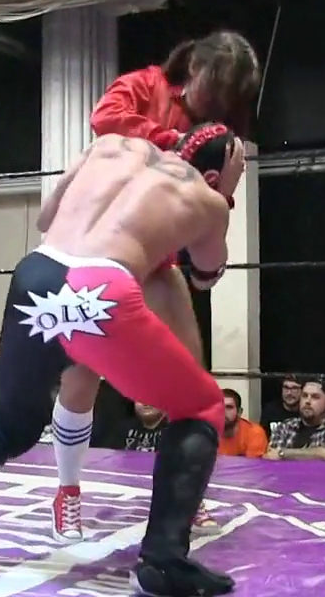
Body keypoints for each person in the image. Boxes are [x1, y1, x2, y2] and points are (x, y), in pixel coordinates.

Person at [0, 124, 246, 597]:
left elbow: (45, 217)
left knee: (7, 424)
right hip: (102, 289)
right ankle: (164, 561)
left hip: (37, 272)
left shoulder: (111, 145)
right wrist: (213, 207)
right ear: (216, 175)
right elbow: (205, 274)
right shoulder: (208, 199)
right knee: (201, 405)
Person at [52, 30, 261, 541]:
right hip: (98, 252)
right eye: (215, 85)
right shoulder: (144, 85)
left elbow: (207, 215)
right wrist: (175, 144)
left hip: (159, 259)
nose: (216, 100)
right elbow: (105, 120)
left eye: (228, 94)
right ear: (195, 68)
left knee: (194, 382)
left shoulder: (218, 131)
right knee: (82, 373)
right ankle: (67, 491)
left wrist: (220, 188)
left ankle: (187, 496)